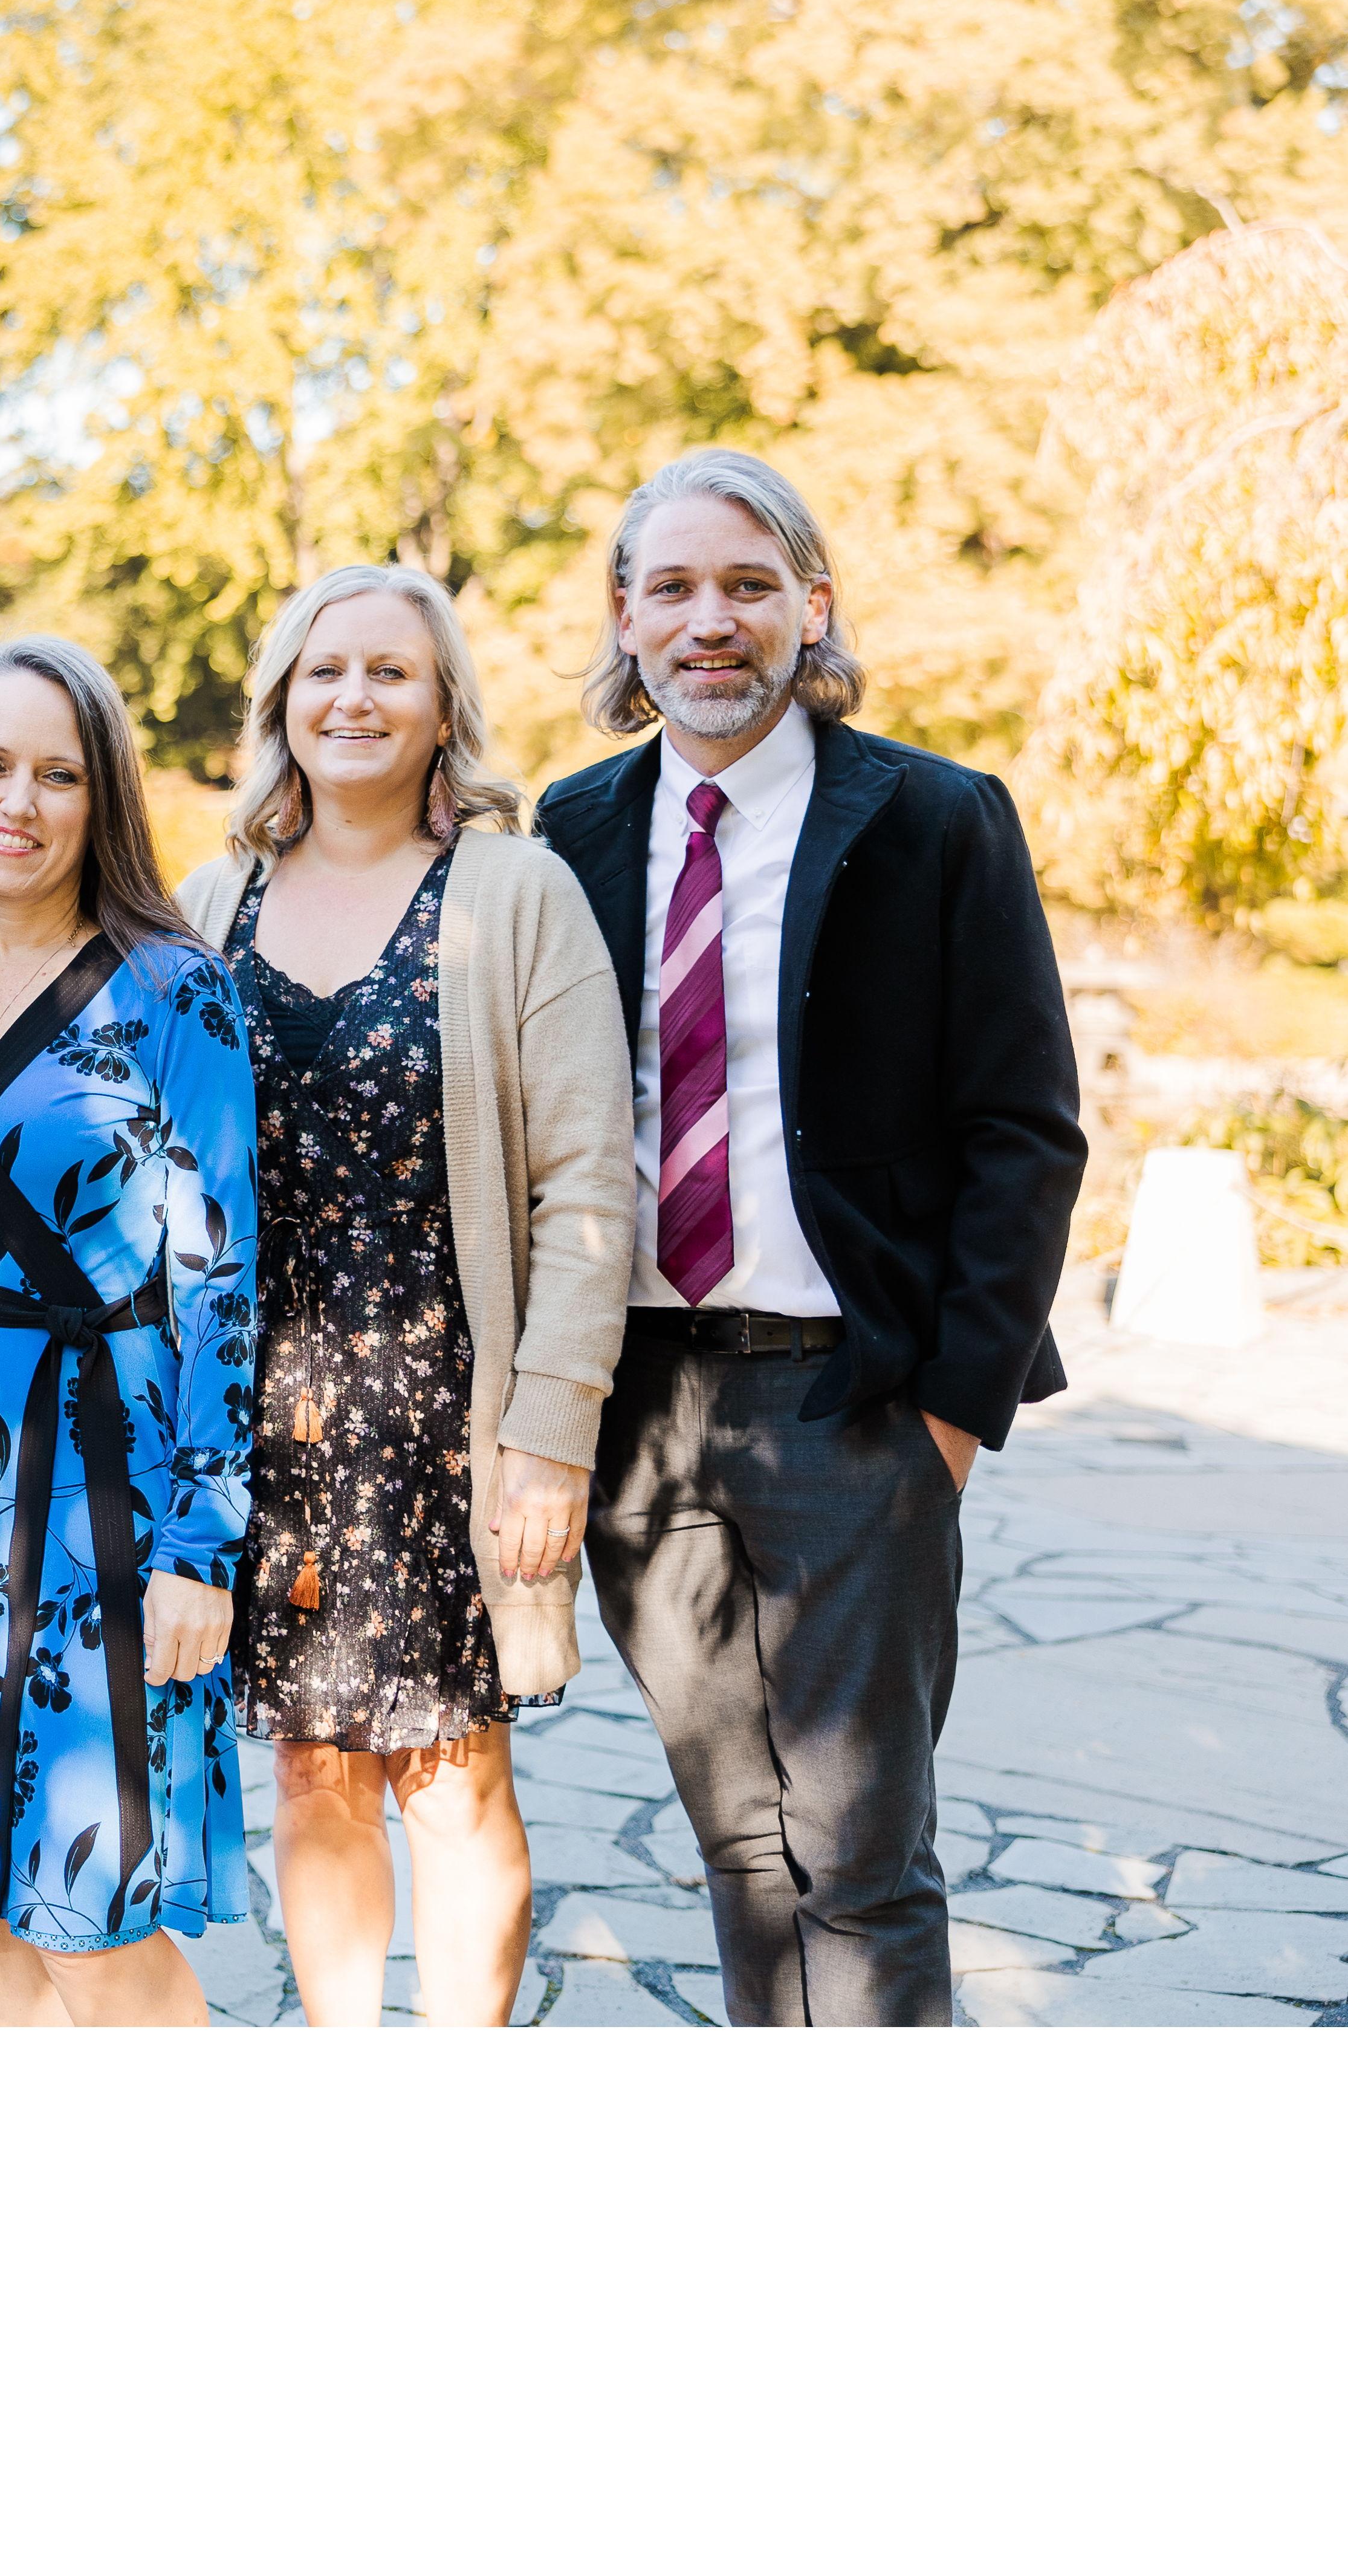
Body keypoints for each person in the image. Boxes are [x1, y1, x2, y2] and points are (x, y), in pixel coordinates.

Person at [536, 449, 1086, 2026]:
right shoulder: (569, 832)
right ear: (626, 619)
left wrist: (950, 1418)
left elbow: (1027, 1132)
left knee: (858, 1848)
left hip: (857, 1401)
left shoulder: (935, 818)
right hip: (641, 1405)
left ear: (813, 607)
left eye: (749, 585)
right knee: (741, 1847)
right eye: (673, 588)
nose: (710, 621)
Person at [175, 566, 635, 2027]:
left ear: (444, 708)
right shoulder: (209, 903)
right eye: (324, 672)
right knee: (312, 1775)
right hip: (263, 1431)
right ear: (281, 704)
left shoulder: (518, 895)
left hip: (449, 1426)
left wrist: (551, 1428)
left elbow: (587, 1183)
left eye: (390, 672)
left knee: (453, 1780)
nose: (354, 699)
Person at [0, 637, 262, 2022]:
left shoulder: (172, 989)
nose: (17, 801)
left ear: (103, 797)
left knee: (93, 1917)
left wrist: (203, 1548)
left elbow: (220, 1281)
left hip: (108, 1491)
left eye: (58, 774)